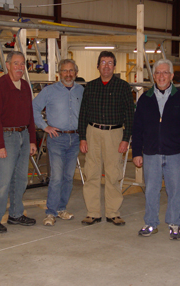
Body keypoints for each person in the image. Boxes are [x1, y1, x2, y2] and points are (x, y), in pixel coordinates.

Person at [132, 59, 180, 240]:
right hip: (151, 153)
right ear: (154, 76)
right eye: (158, 73)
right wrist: (136, 152)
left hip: (175, 153)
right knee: (151, 189)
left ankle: (174, 223)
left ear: (172, 76)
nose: (161, 76)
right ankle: (151, 223)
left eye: (165, 73)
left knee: (175, 189)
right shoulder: (145, 99)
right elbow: (137, 127)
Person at [78, 51, 134, 226]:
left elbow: (130, 115)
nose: (106, 66)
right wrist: (82, 138)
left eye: (110, 63)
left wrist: (126, 138)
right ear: (98, 66)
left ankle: (112, 212)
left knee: (113, 173)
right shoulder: (90, 87)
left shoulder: (123, 87)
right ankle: (93, 212)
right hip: (92, 132)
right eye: (103, 62)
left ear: (114, 66)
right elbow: (83, 114)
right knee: (91, 173)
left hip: (114, 134)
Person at [0, 51, 37, 233]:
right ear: (7, 65)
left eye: (22, 64)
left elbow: (30, 115)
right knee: (4, 180)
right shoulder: (0, 86)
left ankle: (16, 214)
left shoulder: (24, 85)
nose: (19, 67)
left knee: (21, 179)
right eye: (16, 63)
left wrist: (32, 140)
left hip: (23, 134)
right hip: (7, 137)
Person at [32, 59, 84, 226]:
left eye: (71, 71)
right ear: (59, 73)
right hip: (56, 138)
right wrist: (44, 127)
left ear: (75, 73)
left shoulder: (81, 90)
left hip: (75, 138)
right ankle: (51, 212)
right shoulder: (49, 91)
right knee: (56, 178)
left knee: (68, 177)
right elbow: (33, 108)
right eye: (64, 71)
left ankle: (61, 209)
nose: (68, 74)